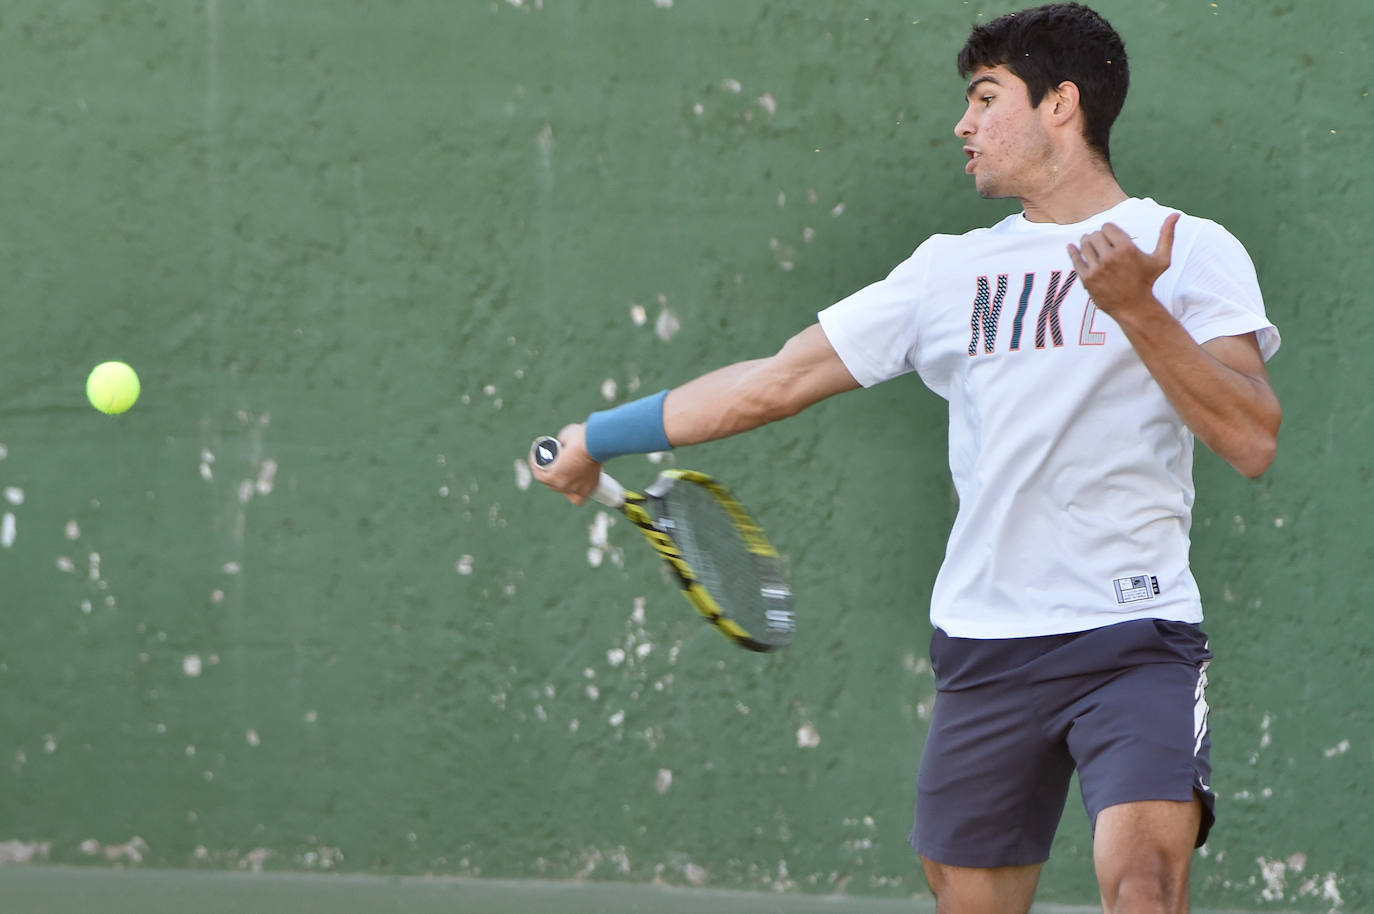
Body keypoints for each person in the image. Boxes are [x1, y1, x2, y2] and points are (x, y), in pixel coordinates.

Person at [530, 4, 1281, 912]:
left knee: (1145, 889)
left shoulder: (1188, 250)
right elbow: (775, 380)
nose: (963, 125)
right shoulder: (945, 273)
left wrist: (1138, 307)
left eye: (985, 97)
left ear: (1062, 104)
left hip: (1134, 637)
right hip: (986, 647)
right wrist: (593, 437)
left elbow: (1250, 438)